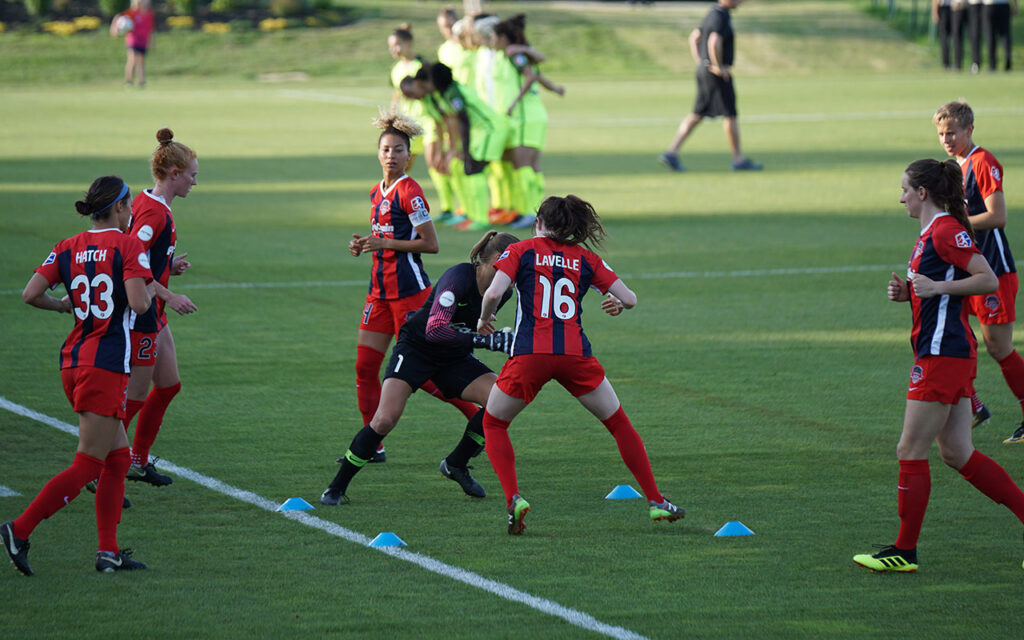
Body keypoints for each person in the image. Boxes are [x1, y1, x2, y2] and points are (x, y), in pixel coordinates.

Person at [476, 195, 686, 535]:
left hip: (530, 354)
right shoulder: (587, 258)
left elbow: (492, 294)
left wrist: (485, 319)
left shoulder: (521, 250)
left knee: (495, 424)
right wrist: (617, 302)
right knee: (618, 423)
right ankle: (656, 501)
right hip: (575, 354)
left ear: (539, 223)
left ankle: (514, 499)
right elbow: (630, 299)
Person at [853, 159, 1024, 572]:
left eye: (905, 190)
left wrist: (936, 287)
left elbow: (986, 279)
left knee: (910, 448)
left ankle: (903, 551)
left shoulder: (948, 230)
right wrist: (909, 294)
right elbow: (937, 291)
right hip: (947, 352)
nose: (901, 198)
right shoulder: (930, 232)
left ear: (923, 193)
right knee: (957, 452)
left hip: (942, 355)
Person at [2, 176, 154, 576]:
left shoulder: (67, 246)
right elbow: (138, 305)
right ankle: (19, 529)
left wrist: (63, 306)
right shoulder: (128, 244)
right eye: (129, 204)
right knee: (88, 464)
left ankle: (109, 553)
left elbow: (30, 294)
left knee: (117, 460)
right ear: (119, 207)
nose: (132, 210)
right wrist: (155, 290)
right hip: (105, 365)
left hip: (74, 361)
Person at [321, 231, 519, 505]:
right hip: (417, 350)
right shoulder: (459, 277)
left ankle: (456, 464)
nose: (519, 269)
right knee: (384, 419)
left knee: (501, 399)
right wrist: (485, 340)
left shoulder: (503, 292)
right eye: (517, 261)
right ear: (498, 259)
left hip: (453, 356)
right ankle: (336, 487)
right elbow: (435, 330)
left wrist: (493, 334)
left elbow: (474, 324)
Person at [349, 110, 480, 464]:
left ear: (409, 156)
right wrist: (365, 244)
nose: (391, 155)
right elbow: (386, 238)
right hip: (378, 295)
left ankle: (480, 421)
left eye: (398, 150)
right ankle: (372, 445)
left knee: (426, 376)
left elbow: (430, 244)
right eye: (386, 149)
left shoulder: (411, 192)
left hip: (410, 294)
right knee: (364, 368)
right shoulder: (377, 191)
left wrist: (384, 244)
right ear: (378, 154)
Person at [933, 101, 1024, 443]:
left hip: (993, 270)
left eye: (952, 132)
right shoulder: (955, 166)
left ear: (970, 130)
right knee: (959, 335)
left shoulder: (983, 162)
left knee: (999, 347)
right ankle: (973, 405)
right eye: (941, 134)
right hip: (966, 269)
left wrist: (953, 224)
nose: (946, 139)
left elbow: (997, 216)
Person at [121, 128, 199, 489]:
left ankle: (136, 460)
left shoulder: (148, 203)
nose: (195, 184)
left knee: (168, 385)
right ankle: (103, 464)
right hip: (142, 312)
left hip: (155, 310)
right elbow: (130, 264)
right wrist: (170, 295)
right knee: (135, 396)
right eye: (192, 176)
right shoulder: (154, 216)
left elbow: (148, 262)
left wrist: (170, 268)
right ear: (174, 174)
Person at [403, 63, 509, 232]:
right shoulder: (441, 94)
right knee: (462, 168)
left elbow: (463, 121)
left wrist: (461, 149)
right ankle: (470, 213)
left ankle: (481, 218)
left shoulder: (454, 93)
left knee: (473, 169)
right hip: (480, 132)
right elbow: (449, 121)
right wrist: (453, 148)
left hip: (491, 129)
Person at [659, 0, 761, 173]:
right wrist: (717, 66)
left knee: (698, 113)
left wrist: (701, 62)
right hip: (715, 74)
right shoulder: (719, 15)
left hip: (705, 71)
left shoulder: (713, 13)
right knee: (730, 114)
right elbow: (714, 41)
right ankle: (738, 159)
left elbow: (694, 37)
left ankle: (671, 153)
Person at [494, 15, 565, 225]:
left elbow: (531, 75)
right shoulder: (515, 54)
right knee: (532, 166)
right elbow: (537, 74)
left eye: (494, 36)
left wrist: (514, 102)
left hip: (525, 116)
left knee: (524, 165)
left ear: (504, 37)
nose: (491, 41)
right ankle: (536, 212)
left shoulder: (514, 55)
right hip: (532, 115)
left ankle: (529, 212)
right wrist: (555, 88)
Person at [110, 0, 155, 88]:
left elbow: (151, 29)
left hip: (143, 41)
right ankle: (129, 81)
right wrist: (114, 28)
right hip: (133, 40)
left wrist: (152, 41)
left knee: (141, 61)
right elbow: (118, 17)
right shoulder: (132, 12)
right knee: (132, 59)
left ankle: (141, 82)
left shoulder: (150, 14)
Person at [982, 0, 1017, 71]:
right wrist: (1015, 6)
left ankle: (992, 64)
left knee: (990, 36)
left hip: (990, 5)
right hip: (1004, 5)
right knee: (1005, 35)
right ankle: (1008, 59)